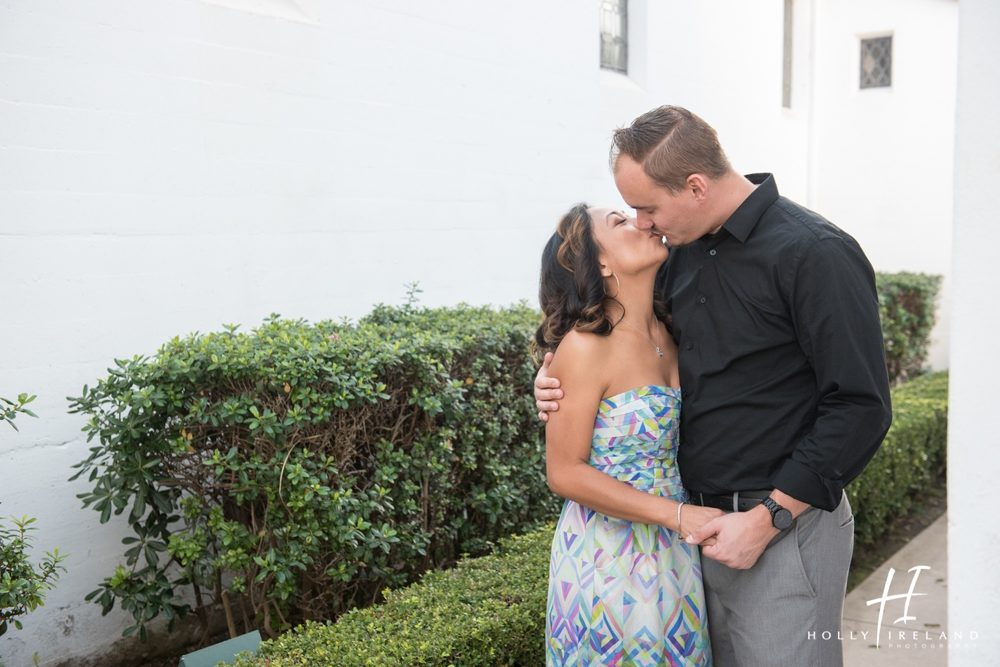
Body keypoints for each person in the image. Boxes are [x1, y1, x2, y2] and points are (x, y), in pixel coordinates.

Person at [535, 106, 893, 667]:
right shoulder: (678, 254)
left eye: (648, 208)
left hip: (778, 525)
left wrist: (766, 518)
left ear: (696, 186)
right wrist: (551, 377)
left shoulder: (814, 252)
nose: (645, 223)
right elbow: (613, 341)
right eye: (631, 213)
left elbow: (860, 406)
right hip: (683, 540)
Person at [538, 203, 721, 666]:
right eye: (620, 221)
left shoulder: (671, 329)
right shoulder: (584, 346)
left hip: (674, 552)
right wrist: (677, 514)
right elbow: (563, 473)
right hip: (609, 558)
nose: (641, 222)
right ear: (599, 262)